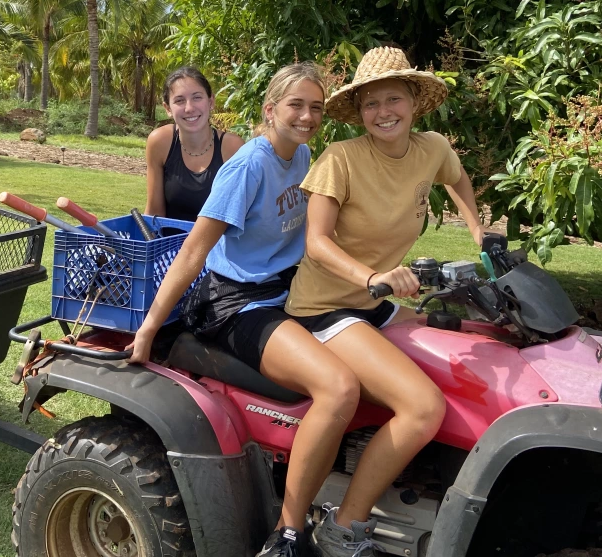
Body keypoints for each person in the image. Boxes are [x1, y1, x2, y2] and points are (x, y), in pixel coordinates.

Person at [131, 62, 366, 557]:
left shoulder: (303, 155)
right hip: (235, 300)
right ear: (270, 109)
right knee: (338, 386)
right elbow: (195, 250)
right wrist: (150, 328)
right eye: (295, 105)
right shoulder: (247, 165)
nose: (306, 116)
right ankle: (287, 534)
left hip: (290, 290)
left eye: (316, 108)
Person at [285, 45, 484, 557]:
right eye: (371, 104)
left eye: (393, 99)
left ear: (414, 101)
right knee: (422, 407)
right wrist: (372, 275)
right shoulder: (341, 159)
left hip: (377, 305)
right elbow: (316, 243)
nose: (383, 112)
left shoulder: (433, 148)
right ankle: (344, 526)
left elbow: (457, 177)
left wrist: (481, 235)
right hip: (327, 308)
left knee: (471, 343)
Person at [145, 66, 242, 221]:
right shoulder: (160, 141)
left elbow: (240, 215)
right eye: (179, 100)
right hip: (169, 244)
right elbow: (154, 213)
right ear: (168, 108)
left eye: (197, 97)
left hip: (218, 245)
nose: (189, 108)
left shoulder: (232, 147)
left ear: (211, 101)